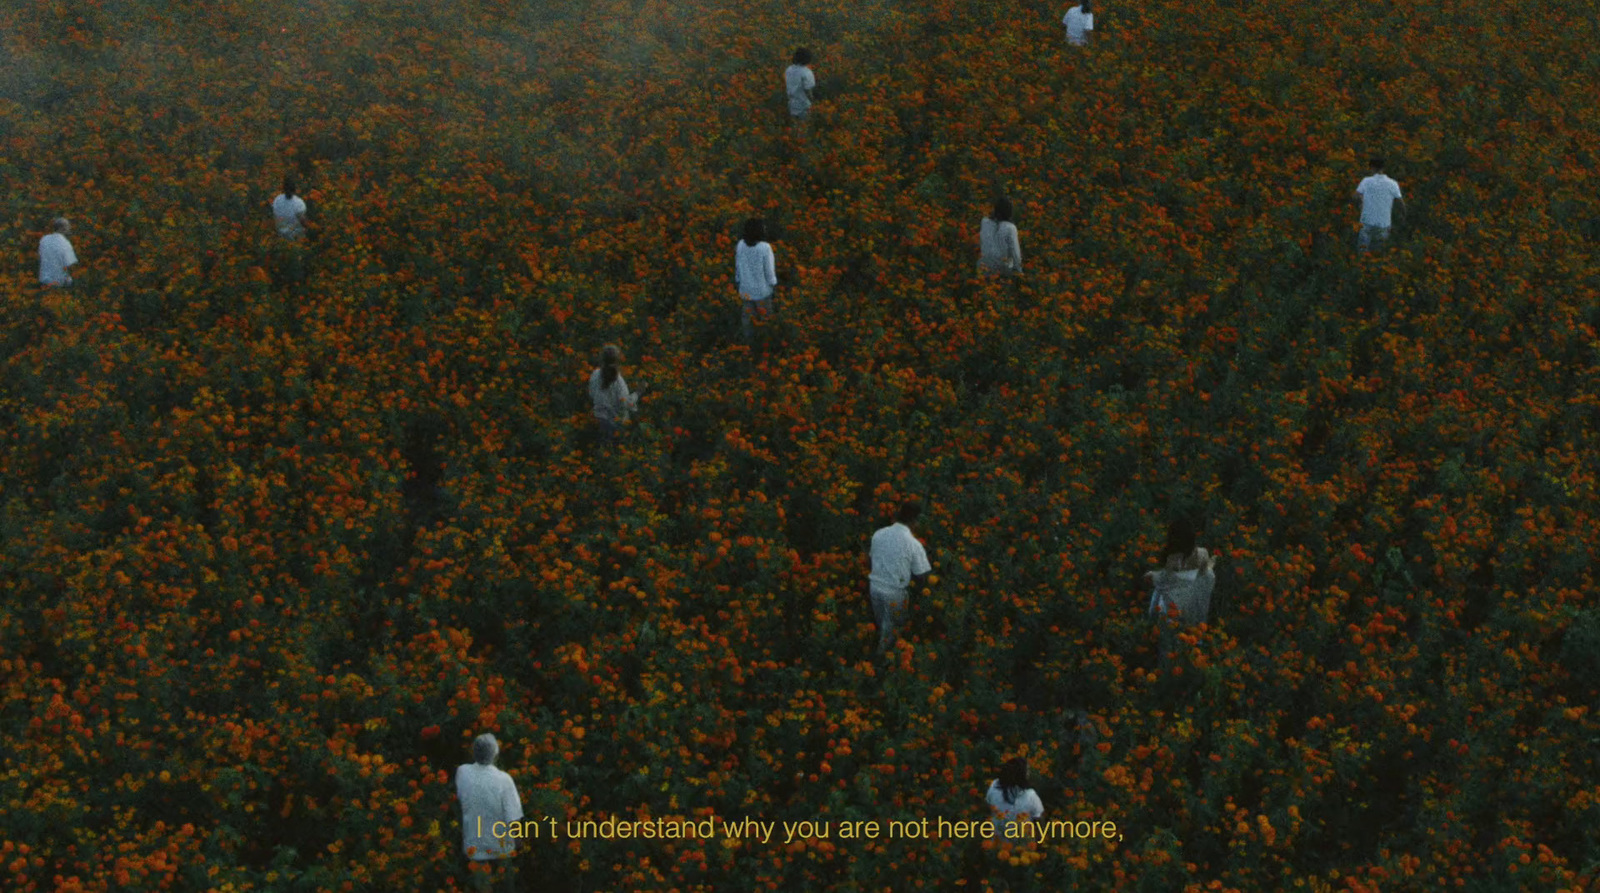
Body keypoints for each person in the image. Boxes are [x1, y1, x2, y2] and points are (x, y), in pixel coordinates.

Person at [455, 733, 522, 893]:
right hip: (501, 848)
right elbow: (513, 819)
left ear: (473, 752)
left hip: (474, 849)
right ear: (496, 754)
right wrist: (518, 844)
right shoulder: (504, 780)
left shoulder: (462, 773)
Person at [868, 500, 932, 653]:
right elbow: (922, 575)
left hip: (874, 588)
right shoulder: (913, 544)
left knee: (881, 625)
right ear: (914, 521)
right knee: (892, 634)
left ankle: (874, 654)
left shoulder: (879, 534)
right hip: (894, 594)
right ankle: (881, 665)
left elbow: (871, 559)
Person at [1146, 519, 1216, 626]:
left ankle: (1152, 623)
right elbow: (1205, 575)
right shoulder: (1203, 553)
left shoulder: (1171, 560)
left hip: (1173, 609)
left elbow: (1165, 581)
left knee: (1158, 589)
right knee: (1207, 573)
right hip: (1191, 604)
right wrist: (1211, 564)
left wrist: (1151, 575)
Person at [588, 344, 644, 444]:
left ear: (602, 359)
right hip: (615, 425)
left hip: (599, 421)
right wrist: (638, 392)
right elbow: (626, 404)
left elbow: (592, 394)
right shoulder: (618, 381)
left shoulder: (595, 374)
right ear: (618, 361)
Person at [734, 218, 778, 339]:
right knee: (766, 321)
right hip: (762, 292)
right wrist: (774, 285)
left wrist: (738, 282)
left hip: (746, 291)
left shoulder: (740, 245)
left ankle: (748, 347)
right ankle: (765, 346)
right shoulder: (765, 248)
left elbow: (738, 267)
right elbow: (769, 272)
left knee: (747, 324)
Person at [985, 757, 1045, 838]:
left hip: (996, 843)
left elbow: (988, 808)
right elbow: (1039, 821)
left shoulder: (994, 786)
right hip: (1022, 845)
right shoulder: (1030, 795)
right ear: (1022, 775)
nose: (1029, 773)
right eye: (1027, 771)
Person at [1354, 157, 1405, 253]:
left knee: (1362, 252)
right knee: (1379, 253)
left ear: (1372, 167)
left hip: (1366, 221)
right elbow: (1401, 203)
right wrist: (1403, 216)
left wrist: (1361, 202)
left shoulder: (1366, 181)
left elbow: (1356, 196)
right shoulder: (1392, 183)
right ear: (1383, 168)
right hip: (1384, 223)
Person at [978, 198, 1023, 276]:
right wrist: (1019, 271)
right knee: (1009, 264)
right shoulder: (1010, 228)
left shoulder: (984, 222)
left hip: (983, 266)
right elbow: (1015, 254)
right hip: (1002, 268)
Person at [38, 217, 77, 287]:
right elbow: (71, 264)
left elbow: (40, 256)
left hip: (44, 280)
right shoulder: (65, 243)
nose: (70, 228)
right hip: (59, 282)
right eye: (68, 226)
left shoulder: (44, 239)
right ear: (62, 228)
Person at [785, 48, 816, 124]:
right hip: (804, 103)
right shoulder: (806, 72)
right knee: (804, 126)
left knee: (794, 126)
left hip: (792, 102)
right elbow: (808, 90)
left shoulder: (789, 69)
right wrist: (813, 101)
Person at [272, 176, 308, 240]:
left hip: (281, 235)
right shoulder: (298, 203)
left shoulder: (277, 199)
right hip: (294, 236)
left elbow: (274, 214)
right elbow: (302, 220)